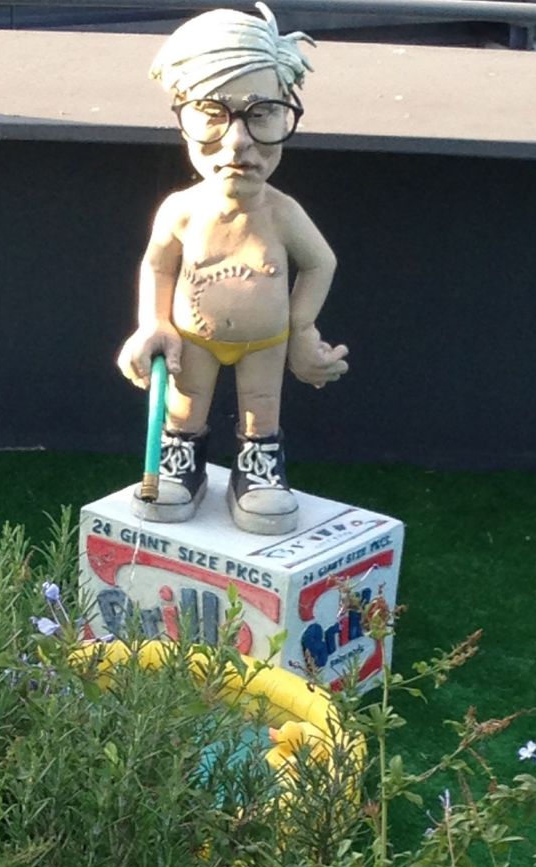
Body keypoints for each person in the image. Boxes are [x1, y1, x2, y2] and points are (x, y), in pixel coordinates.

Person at [116, 3, 348, 535]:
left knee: (262, 409)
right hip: (191, 342)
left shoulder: (282, 214)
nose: (238, 142)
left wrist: (302, 331)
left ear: (286, 115)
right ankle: (179, 466)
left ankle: (259, 471)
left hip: (266, 344)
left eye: (261, 113)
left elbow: (320, 263)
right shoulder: (181, 210)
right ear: (182, 117)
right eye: (211, 112)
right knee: (184, 407)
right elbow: (158, 265)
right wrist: (153, 323)